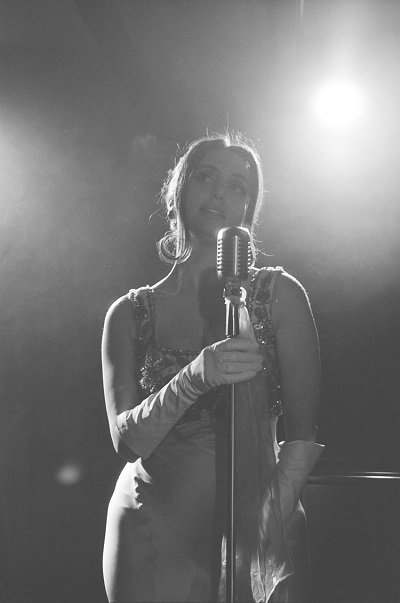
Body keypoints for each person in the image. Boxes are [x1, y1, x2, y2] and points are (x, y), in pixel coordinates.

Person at [101, 132, 324, 603]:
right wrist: (195, 376)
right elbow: (127, 441)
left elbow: (302, 437)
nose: (220, 193)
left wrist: (266, 525)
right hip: (152, 518)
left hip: (259, 515)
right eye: (206, 177)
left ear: (248, 209)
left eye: (237, 186)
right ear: (178, 191)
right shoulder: (129, 313)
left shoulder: (279, 295)